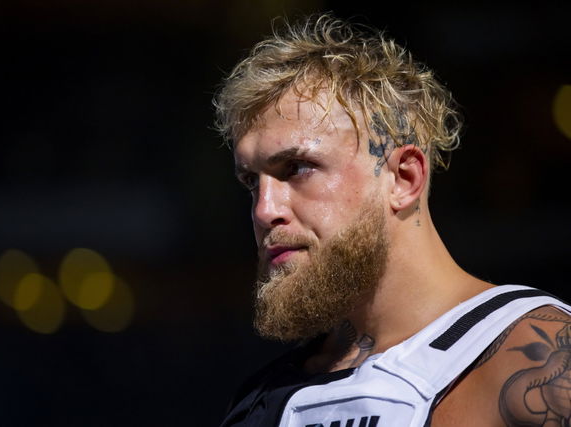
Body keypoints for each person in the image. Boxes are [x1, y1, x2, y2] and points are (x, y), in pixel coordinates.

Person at [213, 14, 571, 427]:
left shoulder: (539, 362)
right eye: (250, 181)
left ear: (404, 178)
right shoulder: (260, 402)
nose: (263, 209)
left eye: (297, 168)